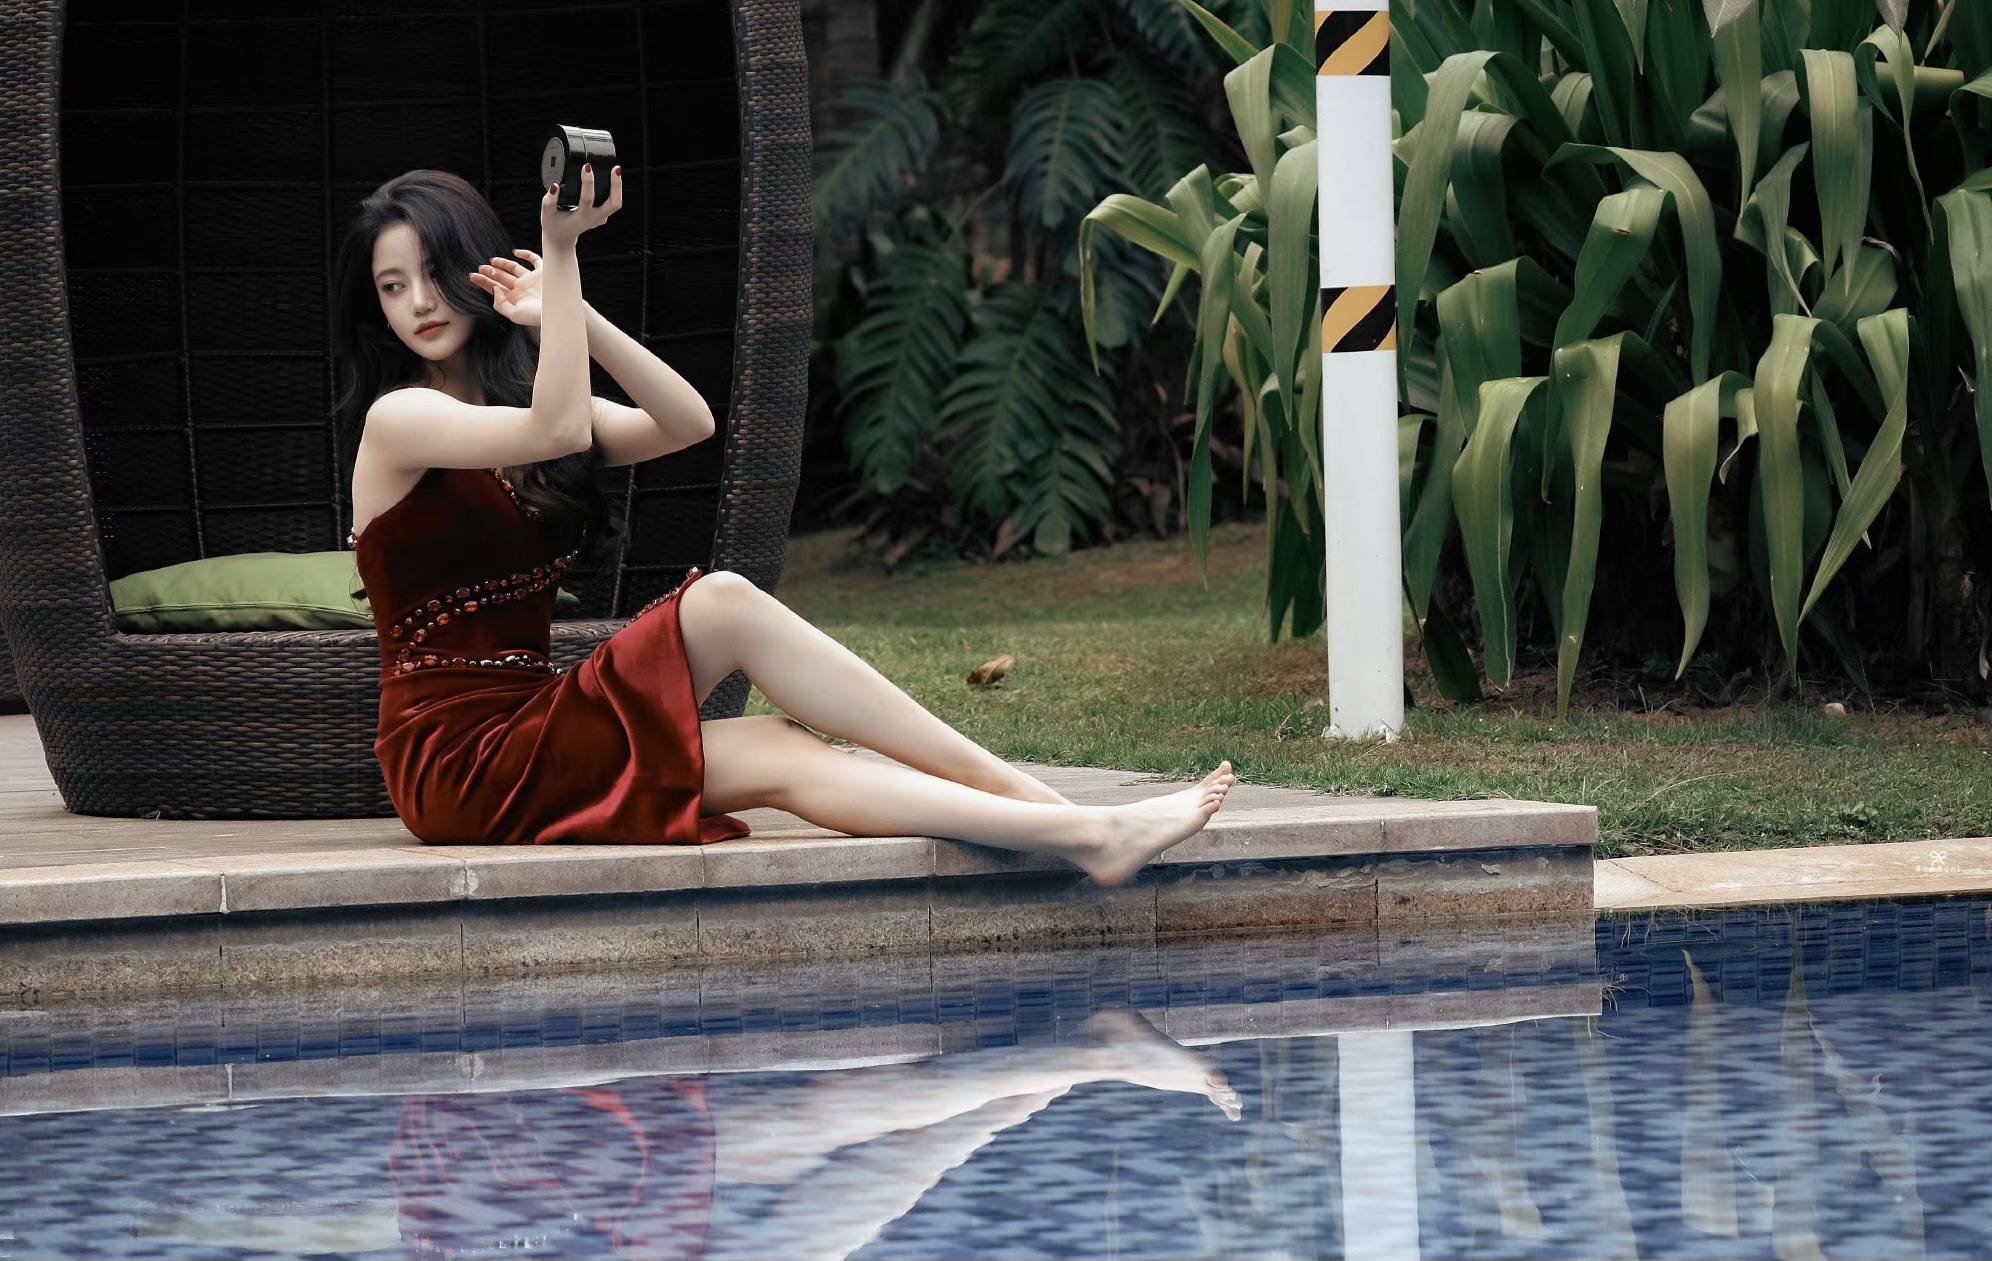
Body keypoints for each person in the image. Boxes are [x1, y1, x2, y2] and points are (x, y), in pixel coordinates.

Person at [328, 166, 1236, 881]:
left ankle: (1075, 828)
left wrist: (576, 312)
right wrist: (562, 258)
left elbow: (686, 421)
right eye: (392, 286)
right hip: (456, 761)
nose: (420, 302)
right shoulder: (400, 420)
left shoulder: (525, 402)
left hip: (535, 719)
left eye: (435, 273)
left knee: (777, 742)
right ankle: (1069, 819)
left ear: (479, 269)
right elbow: (558, 428)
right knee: (723, 603)